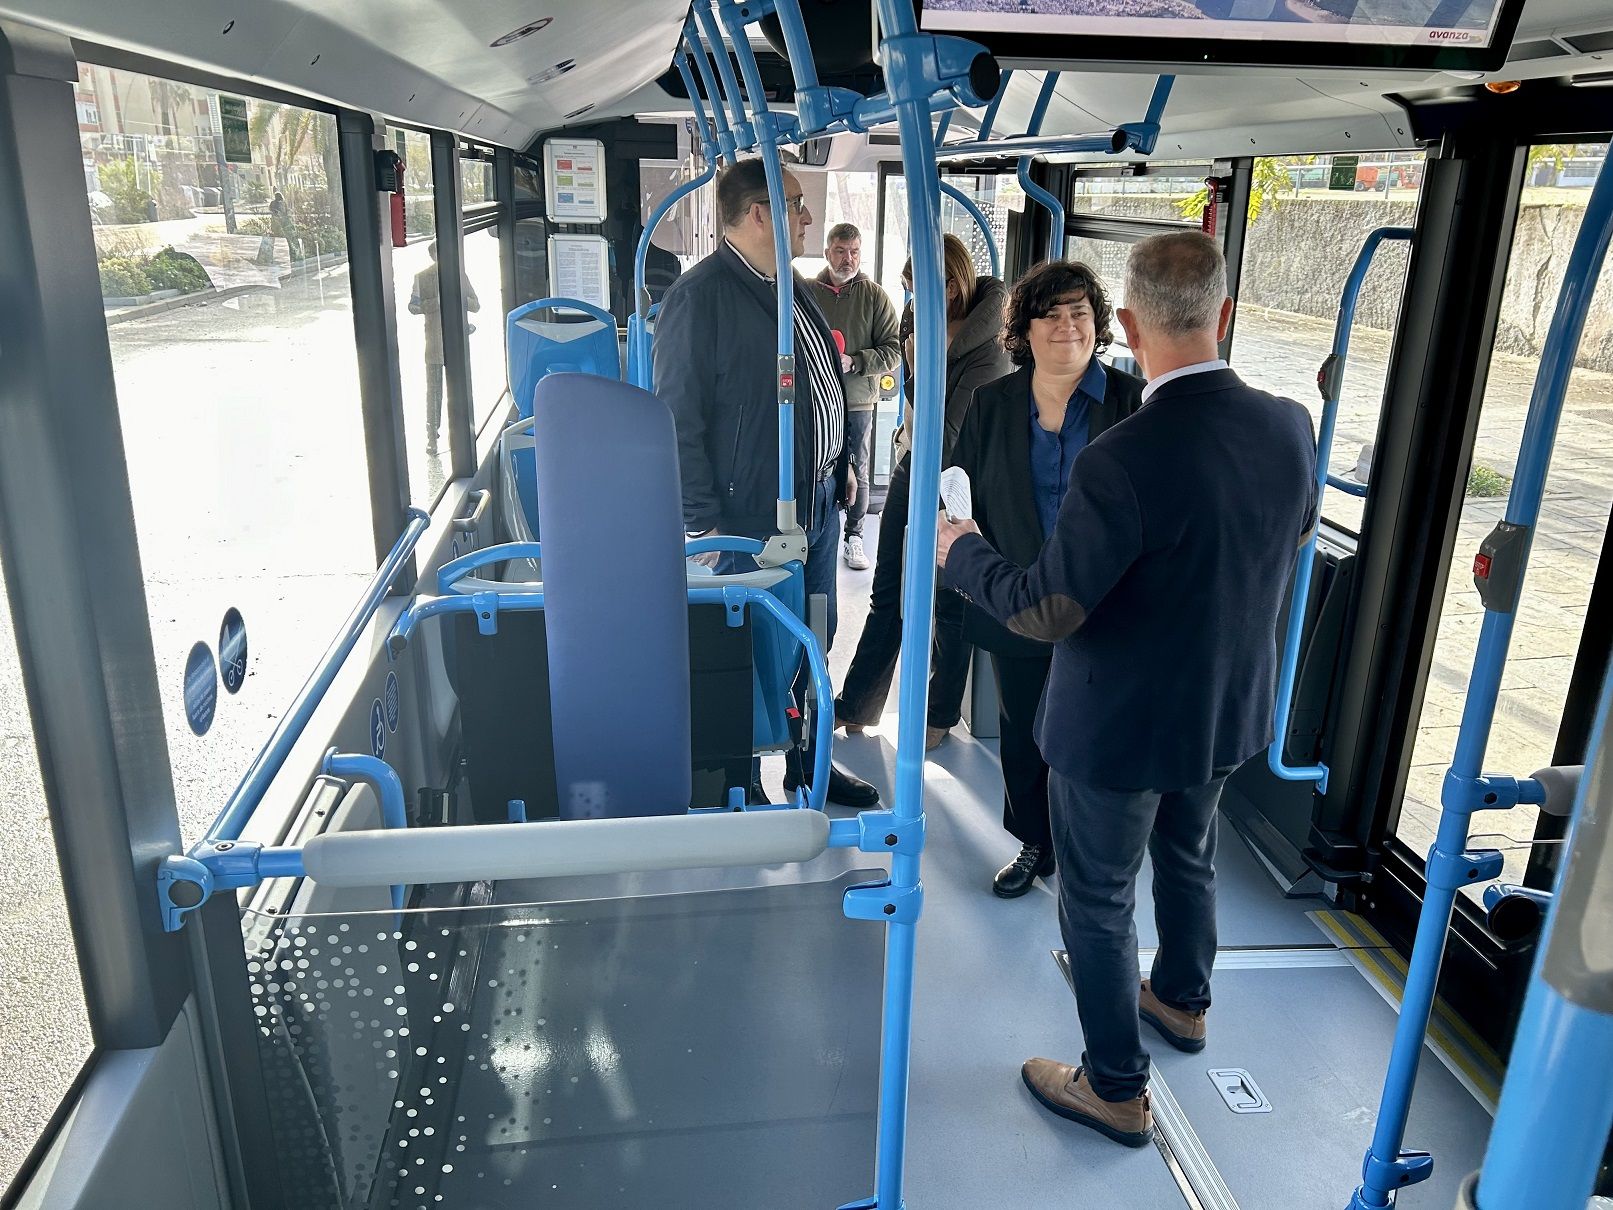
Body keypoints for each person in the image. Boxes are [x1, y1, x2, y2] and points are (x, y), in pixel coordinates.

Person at [937, 231, 1317, 1147]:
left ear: (1133, 329)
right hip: (1225, 709)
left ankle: (1113, 1087)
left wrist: (963, 553)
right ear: (1221, 315)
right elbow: (1291, 540)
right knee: (1188, 859)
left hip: (1115, 728)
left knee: (1099, 902)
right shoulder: (1288, 425)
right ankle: (1182, 1002)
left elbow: (1049, 610)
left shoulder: (1122, 459)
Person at [655, 157, 879, 809]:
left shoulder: (788, 284)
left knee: (813, 639)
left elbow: (817, 380)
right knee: (750, 650)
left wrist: (842, 465)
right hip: (746, 514)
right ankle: (741, 780)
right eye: (795, 203)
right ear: (758, 215)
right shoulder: (700, 298)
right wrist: (708, 525)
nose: (806, 215)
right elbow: (676, 419)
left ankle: (812, 763)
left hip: (813, 504)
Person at [945, 260, 1143, 899]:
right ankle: (1035, 840)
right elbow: (962, 492)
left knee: (1102, 731)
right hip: (1019, 595)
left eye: (1080, 313)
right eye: (1050, 314)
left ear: (1099, 324)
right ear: (1023, 331)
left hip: (1109, 602)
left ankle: (1095, 848)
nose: (1067, 327)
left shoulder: (1131, 404)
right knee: (1026, 728)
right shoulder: (992, 404)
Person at [833, 234, 1010, 750]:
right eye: (909, 290)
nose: (912, 300)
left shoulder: (987, 348)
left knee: (951, 600)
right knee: (889, 587)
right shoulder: (917, 321)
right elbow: (914, 401)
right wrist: (913, 362)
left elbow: (951, 434)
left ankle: (939, 713)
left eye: (921, 290)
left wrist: (924, 362)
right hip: (917, 463)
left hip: (961, 483)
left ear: (952, 287)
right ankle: (860, 700)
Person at [807, 223, 900, 572]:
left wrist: (856, 361)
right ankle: (815, 529)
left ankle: (854, 535)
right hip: (815, 399)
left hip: (858, 399)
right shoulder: (806, 291)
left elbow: (893, 351)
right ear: (828, 251)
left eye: (855, 251)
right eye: (841, 251)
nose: (848, 259)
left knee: (857, 467)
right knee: (815, 464)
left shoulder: (875, 296)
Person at [409, 242, 481, 456]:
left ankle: (463, 432)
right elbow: (413, 307)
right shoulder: (421, 277)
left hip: (457, 342)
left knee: (460, 389)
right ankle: (432, 435)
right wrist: (436, 302)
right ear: (432, 256)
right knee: (434, 392)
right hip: (434, 344)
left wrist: (458, 298)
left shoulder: (460, 276)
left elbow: (476, 304)